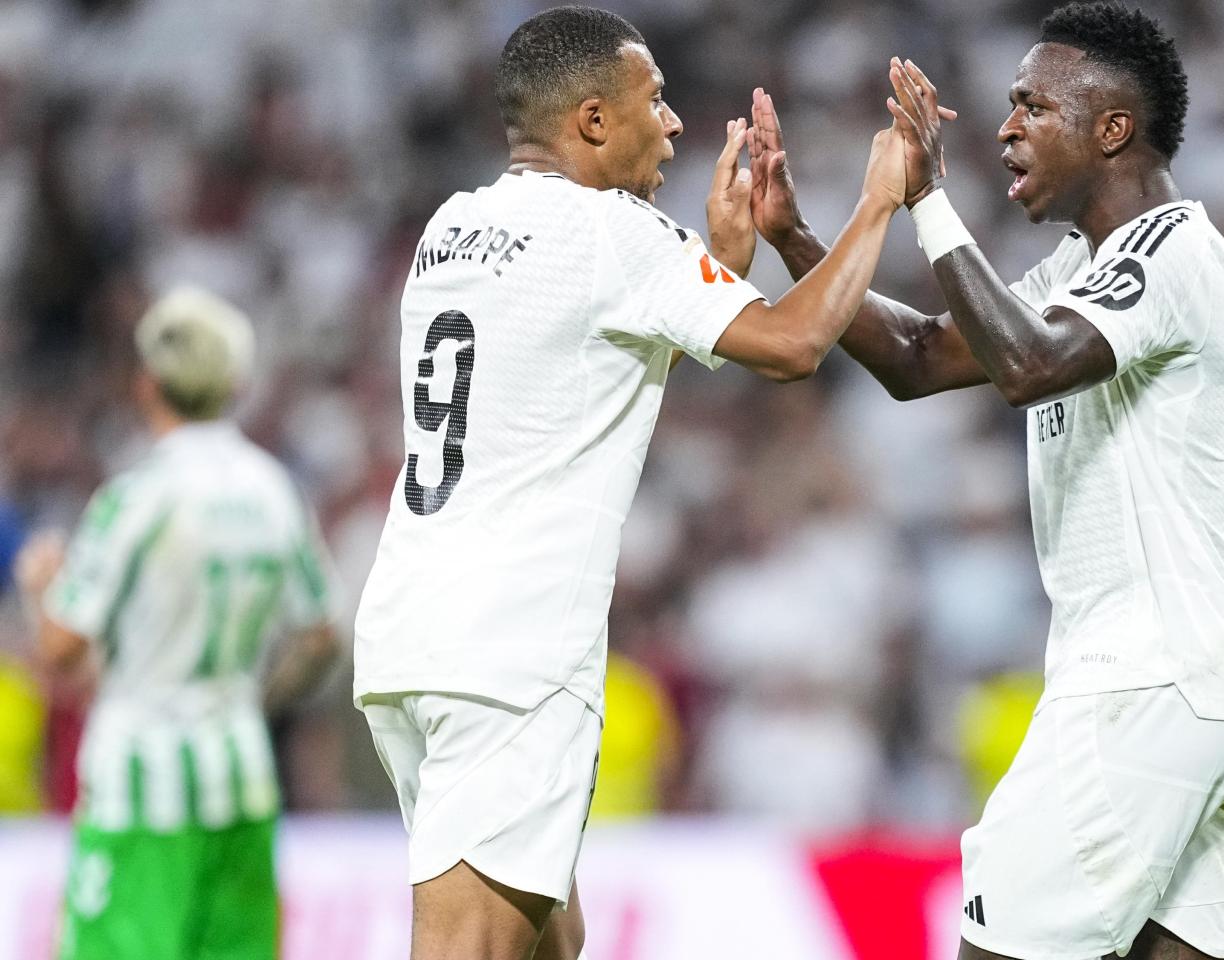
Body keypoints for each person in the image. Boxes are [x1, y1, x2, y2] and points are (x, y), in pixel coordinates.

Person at [349, 6, 908, 959]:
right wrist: (881, 201)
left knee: (549, 937)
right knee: (468, 947)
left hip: (411, 635)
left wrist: (714, 268)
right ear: (595, 120)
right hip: (512, 653)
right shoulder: (612, 233)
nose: (678, 124)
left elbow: (581, 378)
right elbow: (794, 343)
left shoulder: (451, 228)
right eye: (657, 99)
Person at [746, 4, 1224, 958]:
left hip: (1147, 679)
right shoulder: (1085, 268)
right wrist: (796, 239)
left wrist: (926, 201)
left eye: (1032, 105)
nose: (1003, 129)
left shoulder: (1172, 250)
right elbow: (919, 357)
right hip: (1206, 686)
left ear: (1111, 128)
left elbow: (1030, 365)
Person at [11, 287, 341, 960]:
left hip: (142, 788)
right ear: (235, 384)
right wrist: (258, 698)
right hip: (241, 775)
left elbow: (61, 647)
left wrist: (42, 589)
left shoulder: (136, 498)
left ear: (147, 383)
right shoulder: (272, 490)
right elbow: (322, 633)